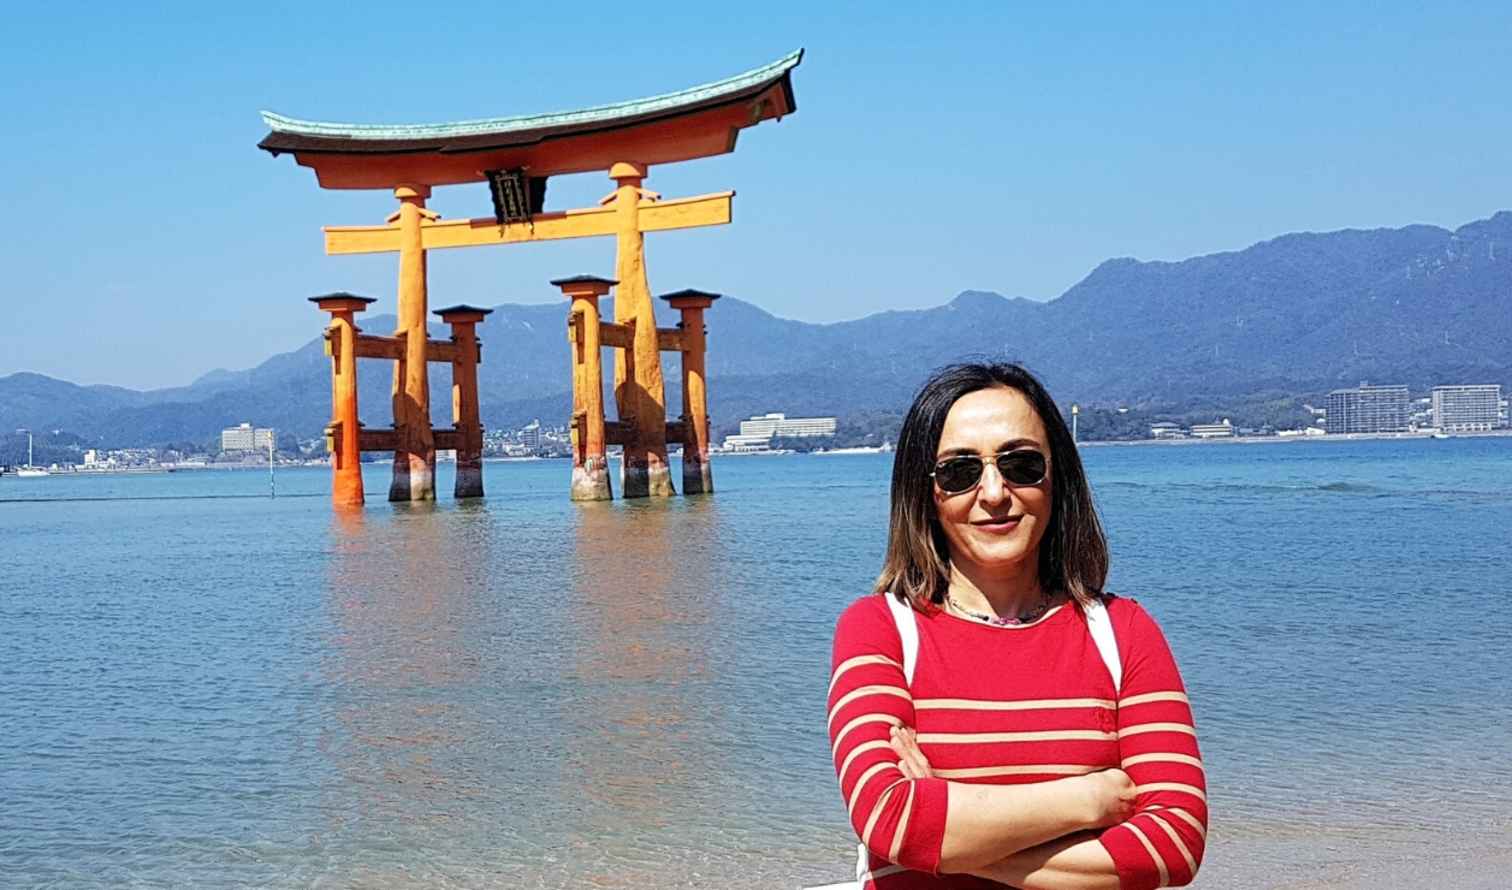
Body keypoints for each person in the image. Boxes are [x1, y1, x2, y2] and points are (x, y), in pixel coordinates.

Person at [827, 363, 1206, 889]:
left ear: (1058, 475)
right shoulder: (880, 629)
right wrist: (1086, 799)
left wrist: (949, 835)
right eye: (959, 471)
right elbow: (889, 819)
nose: (993, 493)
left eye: (1021, 464)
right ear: (925, 492)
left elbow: (1173, 844)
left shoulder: (1122, 632)